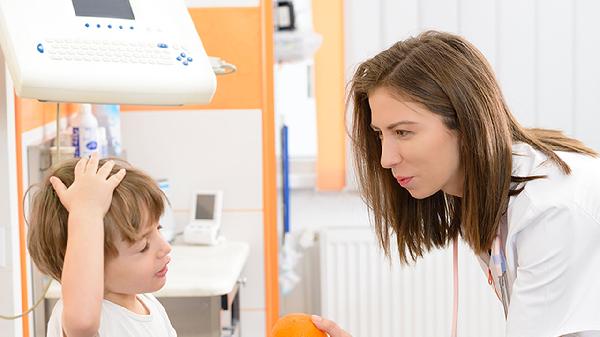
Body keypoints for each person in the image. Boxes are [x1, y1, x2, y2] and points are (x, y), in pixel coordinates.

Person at [311, 31, 600, 337]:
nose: (386, 159)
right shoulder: (490, 191)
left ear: (464, 123)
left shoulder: (549, 211)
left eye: (403, 132)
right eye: (381, 134)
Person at [27, 153, 176, 337]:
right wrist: (86, 211)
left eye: (158, 228)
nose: (165, 247)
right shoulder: (87, 319)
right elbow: (82, 323)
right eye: (143, 246)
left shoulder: (148, 304)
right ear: (91, 260)